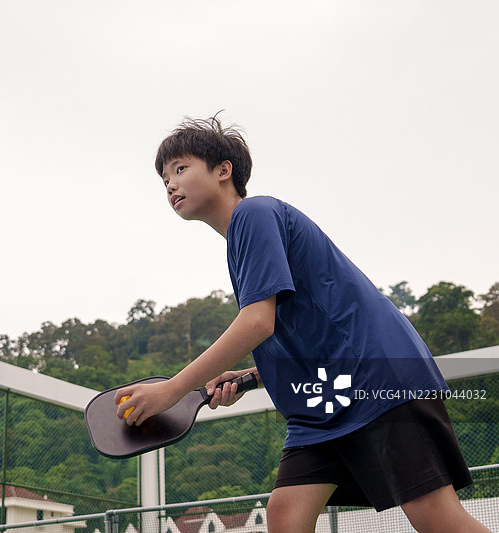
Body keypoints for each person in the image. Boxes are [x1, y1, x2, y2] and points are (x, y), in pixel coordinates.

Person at [114, 115, 489, 533]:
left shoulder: (255, 214)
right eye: (165, 177)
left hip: (377, 379)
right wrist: (254, 376)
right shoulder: (241, 242)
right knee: (285, 513)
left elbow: (257, 323)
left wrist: (171, 389)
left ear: (224, 170)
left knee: (435, 518)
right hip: (323, 402)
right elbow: (299, 327)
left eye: (180, 169)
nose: (170, 184)